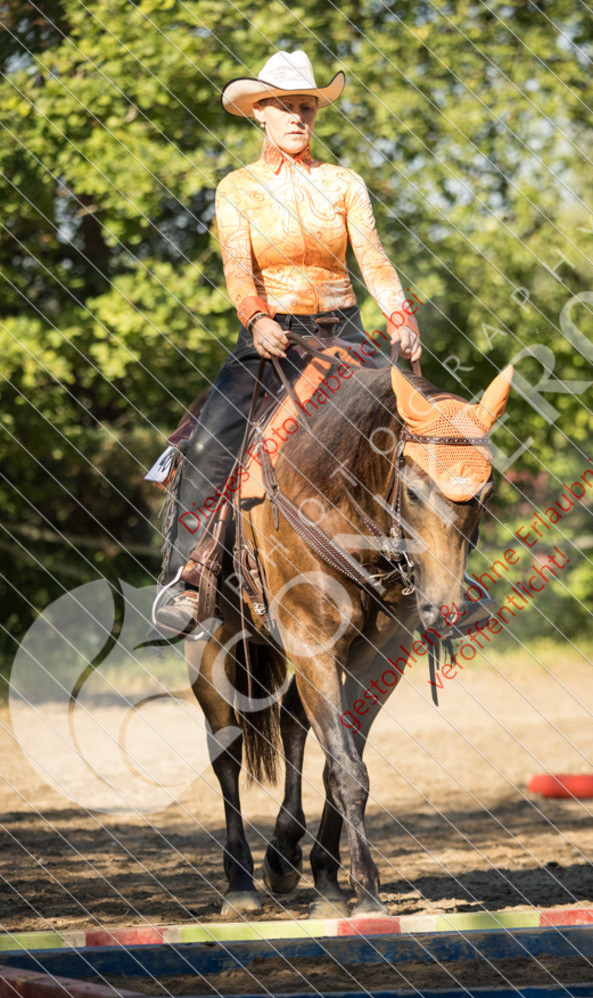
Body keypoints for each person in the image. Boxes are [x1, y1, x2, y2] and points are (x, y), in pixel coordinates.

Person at [153, 50, 421, 635]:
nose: (299, 116)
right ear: (261, 115)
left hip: (345, 332)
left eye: (307, 106)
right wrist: (255, 318)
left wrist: (399, 312)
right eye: (286, 106)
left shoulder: (344, 183)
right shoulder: (237, 188)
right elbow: (236, 268)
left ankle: (430, 579)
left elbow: (372, 259)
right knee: (207, 441)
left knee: (416, 429)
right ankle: (188, 577)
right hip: (274, 336)